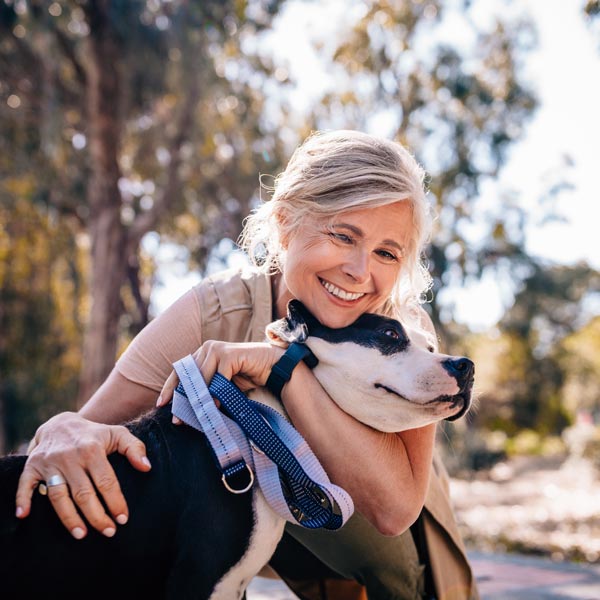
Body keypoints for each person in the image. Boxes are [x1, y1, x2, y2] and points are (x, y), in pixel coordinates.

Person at [16, 130, 478, 600]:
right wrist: (60, 430)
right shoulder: (216, 310)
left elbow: (393, 510)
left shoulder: (406, 334)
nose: (361, 272)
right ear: (285, 223)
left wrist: (283, 368)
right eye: (343, 235)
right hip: (233, 515)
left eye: (386, 252)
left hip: (372, 542)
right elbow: (85, 430)